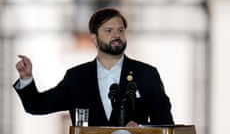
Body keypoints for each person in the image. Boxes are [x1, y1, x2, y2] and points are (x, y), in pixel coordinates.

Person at [13, 7, 174, 127]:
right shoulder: (76, 77)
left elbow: (166, 124)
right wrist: (26, 78)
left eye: (120, 30)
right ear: (94, 39)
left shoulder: (146, 74)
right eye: (109, 31)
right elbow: (37, 105)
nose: (116, 35)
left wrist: (142, 130)